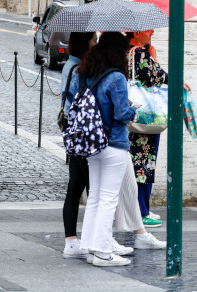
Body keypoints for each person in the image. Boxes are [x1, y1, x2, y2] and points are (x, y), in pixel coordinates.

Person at [75, 32, 140, 267]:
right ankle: (102, 251)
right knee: (108, 199)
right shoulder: (117, 78)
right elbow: (122, 114)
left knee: (95, 198)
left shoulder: (85, 72)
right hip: (114, 143)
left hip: (91, 143)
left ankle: (89, 246)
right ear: (118, 52)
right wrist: (134, 109)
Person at [60, 31, 96, 258]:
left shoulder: (69, 66)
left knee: (75, 186)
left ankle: (71, 242)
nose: (96, 43)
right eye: (93, 39)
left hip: (72, 134)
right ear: (85, 43)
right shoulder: (79, 70)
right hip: (83, 135)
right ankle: (94, 240)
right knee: (92, 188)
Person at [126, 30, 166, 226]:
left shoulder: (127, 51)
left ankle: (143, 208)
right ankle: (142, 211)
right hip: (146, 118)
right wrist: (155, 58)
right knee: (144, 163)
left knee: (137, 163)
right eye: (148, 30)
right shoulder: (141, 53)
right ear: (136, 32)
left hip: (133, 116)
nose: (152, 32)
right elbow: (155, 76)